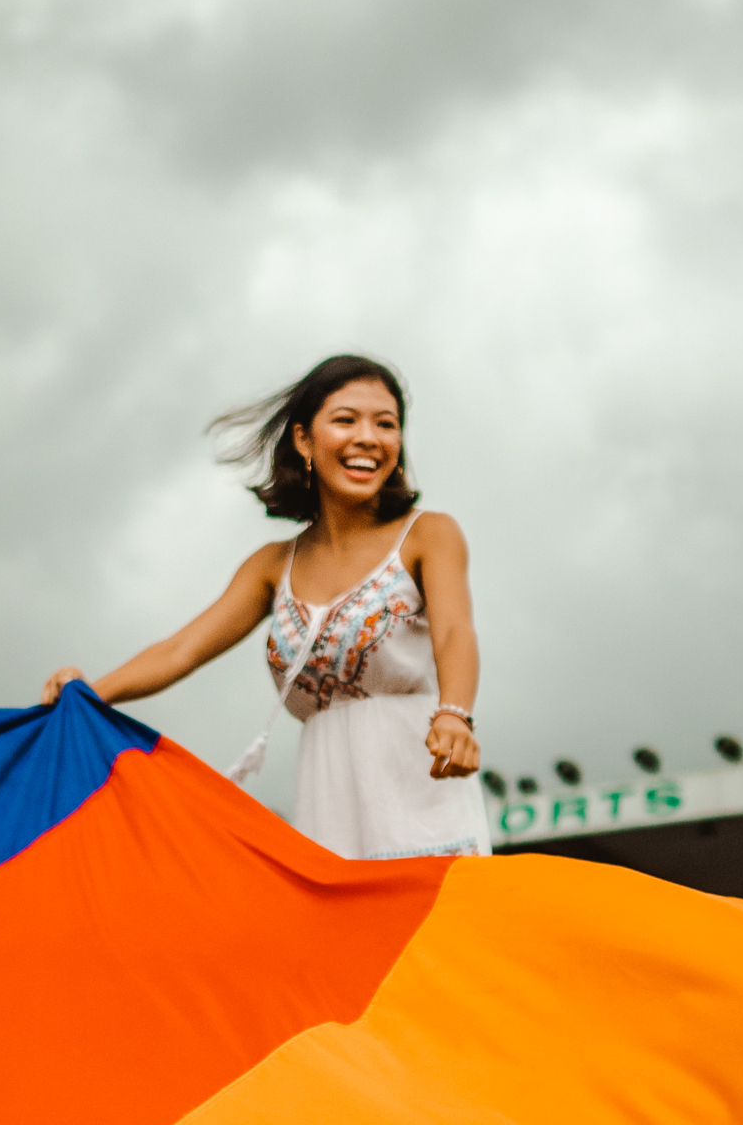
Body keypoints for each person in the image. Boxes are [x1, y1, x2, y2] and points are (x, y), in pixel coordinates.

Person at [41, 352, 489, 861]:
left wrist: (455, 715)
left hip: (420, 779)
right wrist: (90, 693)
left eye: (386, 424)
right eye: (346, 420)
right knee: (338, 938)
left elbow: (454, 632)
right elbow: (181, 649)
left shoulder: (429, 533)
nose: (368, 437)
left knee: (435, 937)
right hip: (328, 796)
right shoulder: (273, 565)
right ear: (303, 439)